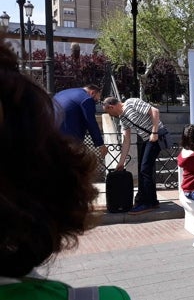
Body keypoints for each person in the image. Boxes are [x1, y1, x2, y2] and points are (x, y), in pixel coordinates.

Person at [0, 39, 130, 299]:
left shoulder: (64, 93)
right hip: (65, 139)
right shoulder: (84, 99)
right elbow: (89, 124)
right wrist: (102, 144)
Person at [102, 96, 166, 215]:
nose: (110, 115)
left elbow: (155, 111)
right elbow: (126, 141)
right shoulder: (123, 119)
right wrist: (121, 163)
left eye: (108, 111)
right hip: (148, 139)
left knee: (144, 170)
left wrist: (154, 132)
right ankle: (152, 200)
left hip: (156, 136)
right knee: (144, 169)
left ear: (111, 106)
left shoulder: (131, 103)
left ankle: (147, 203)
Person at [53, 84, 108, 158]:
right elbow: (91, 122)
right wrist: (100, 144)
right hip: (68, 139)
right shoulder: (87, 99)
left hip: (52, 133)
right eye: (95, 100)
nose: (95, 103)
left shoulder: (62, 93)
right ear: (92, 93)